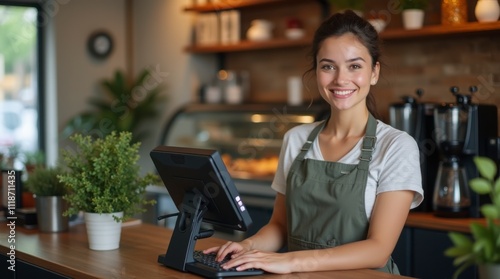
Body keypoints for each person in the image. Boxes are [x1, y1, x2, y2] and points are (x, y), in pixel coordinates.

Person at [204, 10, 423, 275]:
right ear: (316, 71)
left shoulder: (397, 147)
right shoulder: (296, 139)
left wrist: (294, 261)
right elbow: (280, 227)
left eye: (355, 66)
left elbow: (378, 250)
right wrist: (248, 246)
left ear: (374, 72)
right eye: (328, 66)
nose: (340, 79)